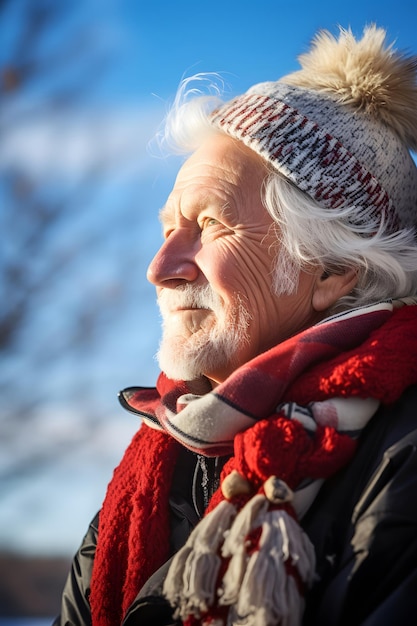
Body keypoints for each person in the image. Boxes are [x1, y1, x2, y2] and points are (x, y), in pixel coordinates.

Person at [55, 25, 417, 626]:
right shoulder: (151, 474)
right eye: (169, 228)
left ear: (333, 269)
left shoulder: (400, 460)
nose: (159, 269)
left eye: (212, 224)